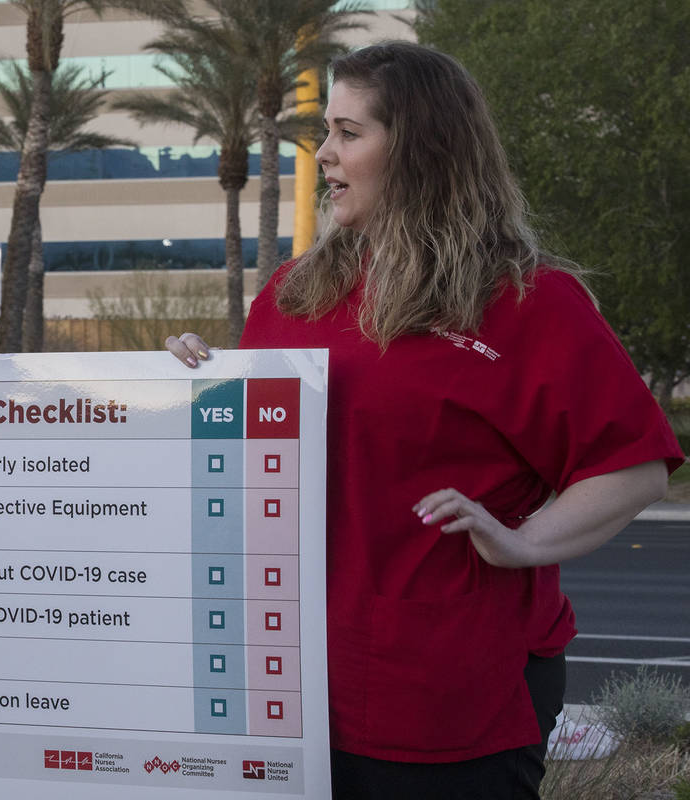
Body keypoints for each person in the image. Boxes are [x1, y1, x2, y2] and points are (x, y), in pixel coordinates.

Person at [167, 42, 682, 799]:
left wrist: (522, 543)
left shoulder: (524, 303)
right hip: (291, 684)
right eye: (326, 132)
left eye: (349, 132)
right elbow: (252, 460)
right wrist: (185, 387)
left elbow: (630, 465)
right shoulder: (293, 292)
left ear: (419, 148)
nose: (327, 154)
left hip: (452, 696)